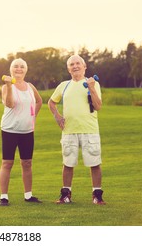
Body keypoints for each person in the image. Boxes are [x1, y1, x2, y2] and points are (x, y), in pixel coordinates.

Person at [48, 54, 106, 205]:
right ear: (68, 69)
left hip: (89, 130)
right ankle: (66, 195)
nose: (75, 66)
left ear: (84, 66)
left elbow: (98, 106)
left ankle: (97, 195)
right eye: (71, 64)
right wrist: (57, 116)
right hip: (69, 131)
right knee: (68, 164)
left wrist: (92, 88)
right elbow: (51, 102)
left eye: (78, 63)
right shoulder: (64, 85)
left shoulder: (92, 83)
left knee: (94, 163)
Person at [0, 58, 43, 206]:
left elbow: (39, 101)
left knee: (27, 163)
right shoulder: (6, 87)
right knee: (7, 163)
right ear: (11, 69)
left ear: (26, 70)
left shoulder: (30, 86)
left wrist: (33, 117)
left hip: (27, 131)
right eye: (16, 66)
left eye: (22, 67)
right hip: (10, 130)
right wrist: (9, 84)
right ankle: (4, 197)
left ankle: (28, 195)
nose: (19, 69)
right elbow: (10, 104)